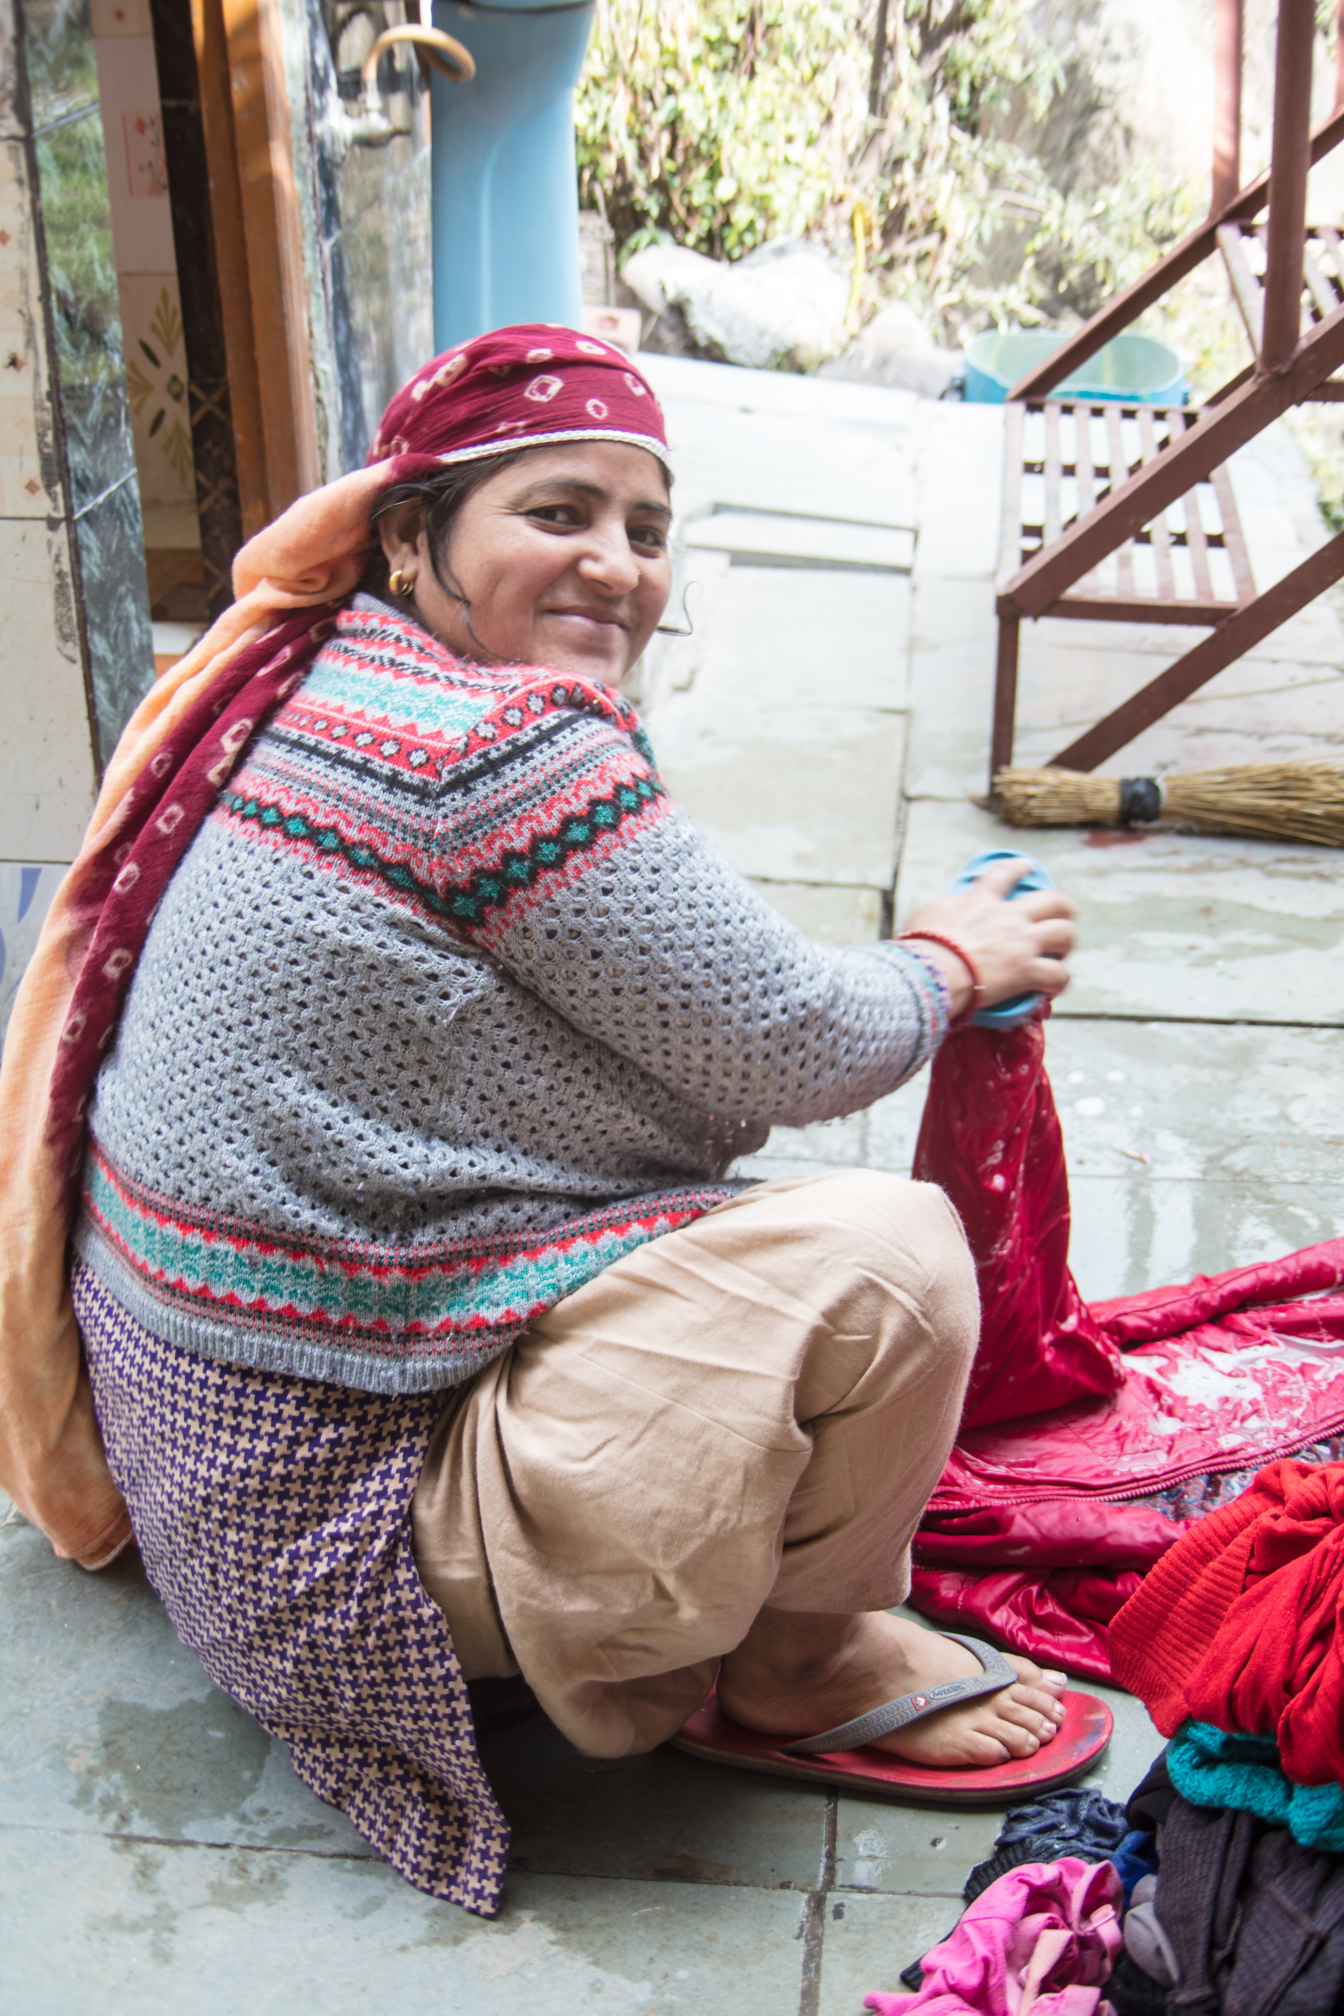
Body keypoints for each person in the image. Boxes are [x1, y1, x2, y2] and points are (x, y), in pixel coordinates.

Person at [0, 327, 1077, 1917]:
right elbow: (790, 1040)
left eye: (647, 530)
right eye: (557, 512)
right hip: (347, 1546)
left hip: (212, 1488)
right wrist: (951, 961)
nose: (617, 565)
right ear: (415, 532)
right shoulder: (498, 748)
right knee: (886, 1259)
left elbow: (669, 995)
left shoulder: (319, 674)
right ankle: (800, 1662)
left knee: (753, 1229)